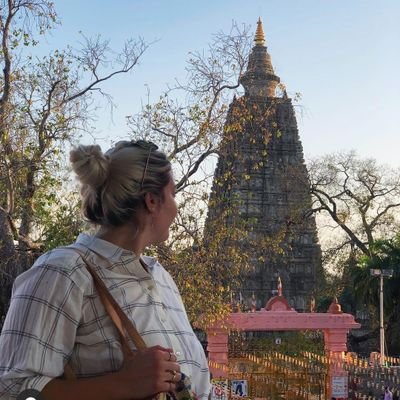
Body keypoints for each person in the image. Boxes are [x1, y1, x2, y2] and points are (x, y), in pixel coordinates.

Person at [0, 140, 211, 399]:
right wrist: (122, 384)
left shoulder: (162, 279)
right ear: (153, 200)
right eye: (174, 195)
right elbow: (10, 390)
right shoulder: (63, 273)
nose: (176, 208)